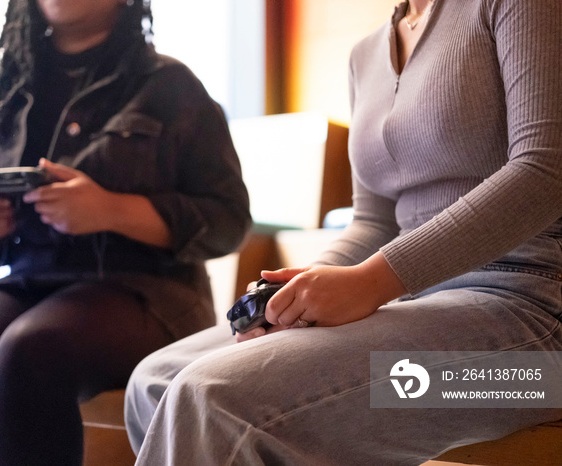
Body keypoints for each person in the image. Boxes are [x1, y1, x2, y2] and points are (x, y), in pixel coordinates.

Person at [124, 0, 562, 464]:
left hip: (535, 348)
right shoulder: (365, 54)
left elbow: (546, 172)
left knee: (211, 397)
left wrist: (373, 281)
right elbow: (374, 221)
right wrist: (293, 298)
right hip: (412, 300)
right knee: (156, 379)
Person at [0, 0, 251, 464]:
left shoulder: (170, 86)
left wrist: (110, 210)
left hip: (146, 291)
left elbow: (229, 221)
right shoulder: (3, 94)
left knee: (32, 352)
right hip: (23, 282)